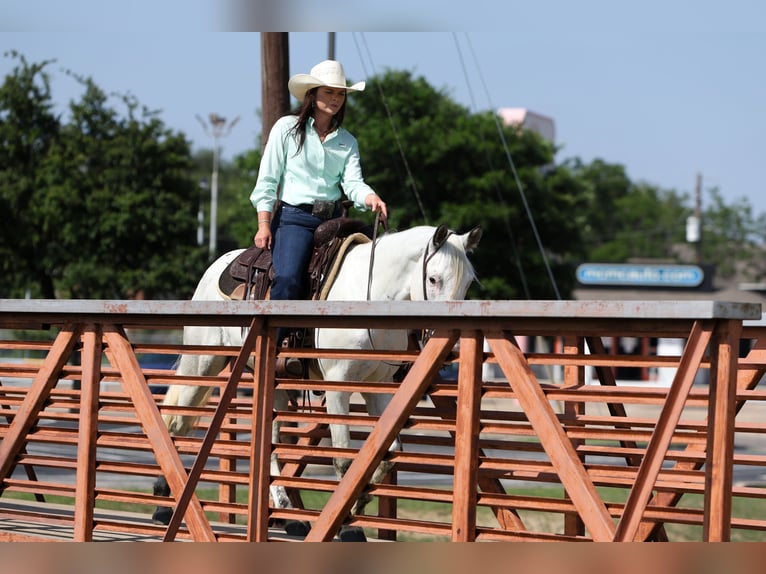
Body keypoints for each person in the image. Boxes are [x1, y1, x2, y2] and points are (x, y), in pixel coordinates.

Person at [249, 60, 388, 374]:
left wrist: (369, 197)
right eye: (329, 91)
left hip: (334, 220)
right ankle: (273, 348)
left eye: (340, 93)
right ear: (312, 94)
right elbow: (268, 179)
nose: (336, 98)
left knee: (372, 269)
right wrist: (263, 222)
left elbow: (352, 182)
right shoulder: (286, 128)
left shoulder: (347, 141)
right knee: (288, 279)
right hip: (295, 218)